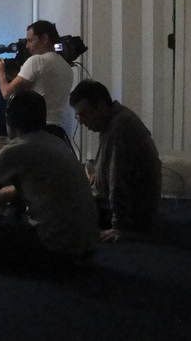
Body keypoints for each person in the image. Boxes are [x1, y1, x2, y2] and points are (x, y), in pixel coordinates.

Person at [0, 90, 97, 265]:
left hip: (54, 248)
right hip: (86, 246)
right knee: (14, 206)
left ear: (9, 119)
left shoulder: (16, 149)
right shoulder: (56, 142)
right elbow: (19, 190)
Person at [69, 79, 162, 242]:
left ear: (101, 106)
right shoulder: (114, 121)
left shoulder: (120, 127)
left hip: (132, 218)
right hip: (129, 211)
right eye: (78, 116)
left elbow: (117, 181)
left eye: (84, 114)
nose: (81, 122)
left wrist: (119, 227)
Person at [0, 20, 73, 146]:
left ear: (44, 39)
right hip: (58, 133)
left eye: (30, 40)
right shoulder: (66, 67)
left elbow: (7, 93)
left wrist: (0, 73)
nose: (27, 46)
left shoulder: (36, 61)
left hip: (36, 132)